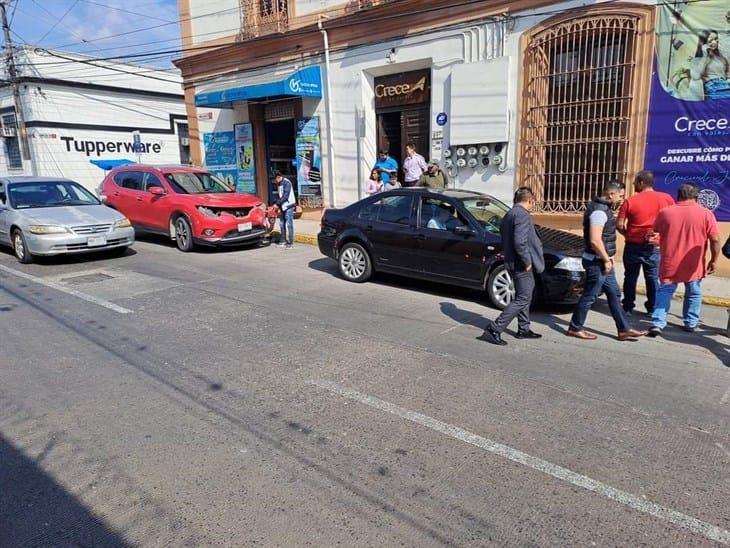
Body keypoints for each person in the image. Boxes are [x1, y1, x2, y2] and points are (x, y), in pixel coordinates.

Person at [567, 181, 647, 341]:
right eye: (620, 196)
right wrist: (606, 259)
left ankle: (624, 329)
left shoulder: (604, 209)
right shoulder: (599, 212)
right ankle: (575, 327)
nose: (621, 199)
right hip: (598, 262)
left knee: (614, 293)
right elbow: (595, 240)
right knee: (590, 295)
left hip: (603, 260)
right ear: (611, 194)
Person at [648, 183, 721, 336]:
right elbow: (715, 239)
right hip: (693, 263)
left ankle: (657, 323)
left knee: (665, 291)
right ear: (696, 197)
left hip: (670, 260)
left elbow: (655, 231)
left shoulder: (665, 212)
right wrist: (714, 260)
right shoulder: (706, 214)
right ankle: (690, 322)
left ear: (678, 195)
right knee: (694, 291)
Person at [480, 187, 544, 346]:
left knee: (525, 295)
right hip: (520, 264)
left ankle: (524, 328)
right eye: (532, 202)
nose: (532, 205)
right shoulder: (522, 215)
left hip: (511, 261)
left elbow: (504, 235)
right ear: (530, 200)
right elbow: (519, 241)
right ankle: (495, 328)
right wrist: (527, 261)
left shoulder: (509, 214)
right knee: (523, 297)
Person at [617, 170, 674, 315]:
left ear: (641, 183)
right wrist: (661, 236)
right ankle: (652, 308)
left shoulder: (630, 201)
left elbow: (619, 224)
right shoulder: (666, 198)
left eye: (635, 181)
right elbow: (673, 222)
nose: (634, 184)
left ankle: (628, 307)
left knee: (630, 276)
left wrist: (627, 234)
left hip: (632, 245)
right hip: (654, 246)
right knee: (652, 278)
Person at [689, 30, 730, 100]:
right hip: (712, 87)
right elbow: (696, 76)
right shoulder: (698, 60)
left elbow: (727, 74)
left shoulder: (721, 57)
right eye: (711, 40)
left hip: (725, 85)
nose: (714, 42)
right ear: (704, 42)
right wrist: (705, 56)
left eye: (716, 39)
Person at [272, 171, 296, 249]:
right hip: (283, 206)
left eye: (275, 180)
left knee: (289, 224)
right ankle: (283, 241)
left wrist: (277, 204)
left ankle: (290, 243)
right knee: (282, 224)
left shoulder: (286, 183)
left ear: (279, 177)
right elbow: (280, 195)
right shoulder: (279, 183)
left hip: (289, 205)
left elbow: (285, 196)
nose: (275, 182)